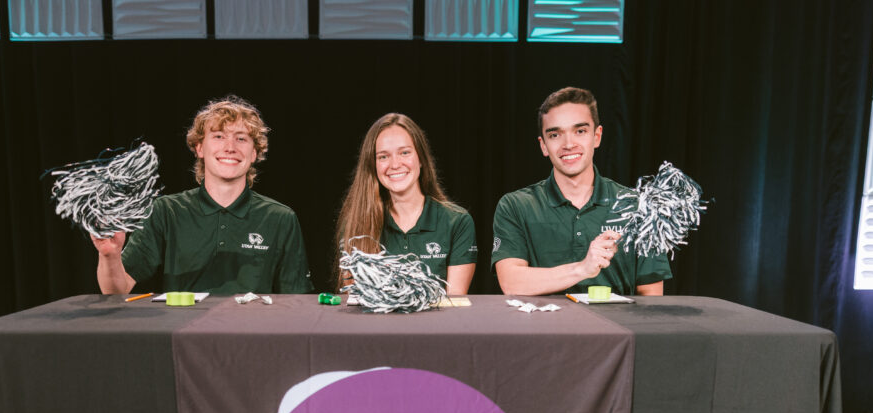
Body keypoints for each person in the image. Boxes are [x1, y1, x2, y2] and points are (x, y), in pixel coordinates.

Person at [91, 96, 313, 295]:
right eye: (218, 136)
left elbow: (297, 304)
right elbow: (116, 290)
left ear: (254, 153)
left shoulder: (280, 218)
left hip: (252, 329)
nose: (230, 147)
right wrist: (109, 255)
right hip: (183, 329)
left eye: (241, 138)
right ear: (199, 148)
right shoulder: (165, 211)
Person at [492, 87, 670, 296]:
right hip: (543, 319)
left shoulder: (638, 205)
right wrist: (583, 268)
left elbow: (651, 296)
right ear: (544, 145)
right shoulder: (516, 206)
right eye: (555, 134)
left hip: (617, 319)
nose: (568, 144)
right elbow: (511, 283)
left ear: (597, 136)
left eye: (580, 131)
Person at [334, 113, 477, 295]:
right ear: (373, 165)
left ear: (421, 159)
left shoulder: (458, 222)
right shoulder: (355, 223)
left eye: (404, 153)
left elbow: (454, 303)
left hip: (438, 316)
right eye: (383, 157)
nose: (395, 164)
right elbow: (354, 299)